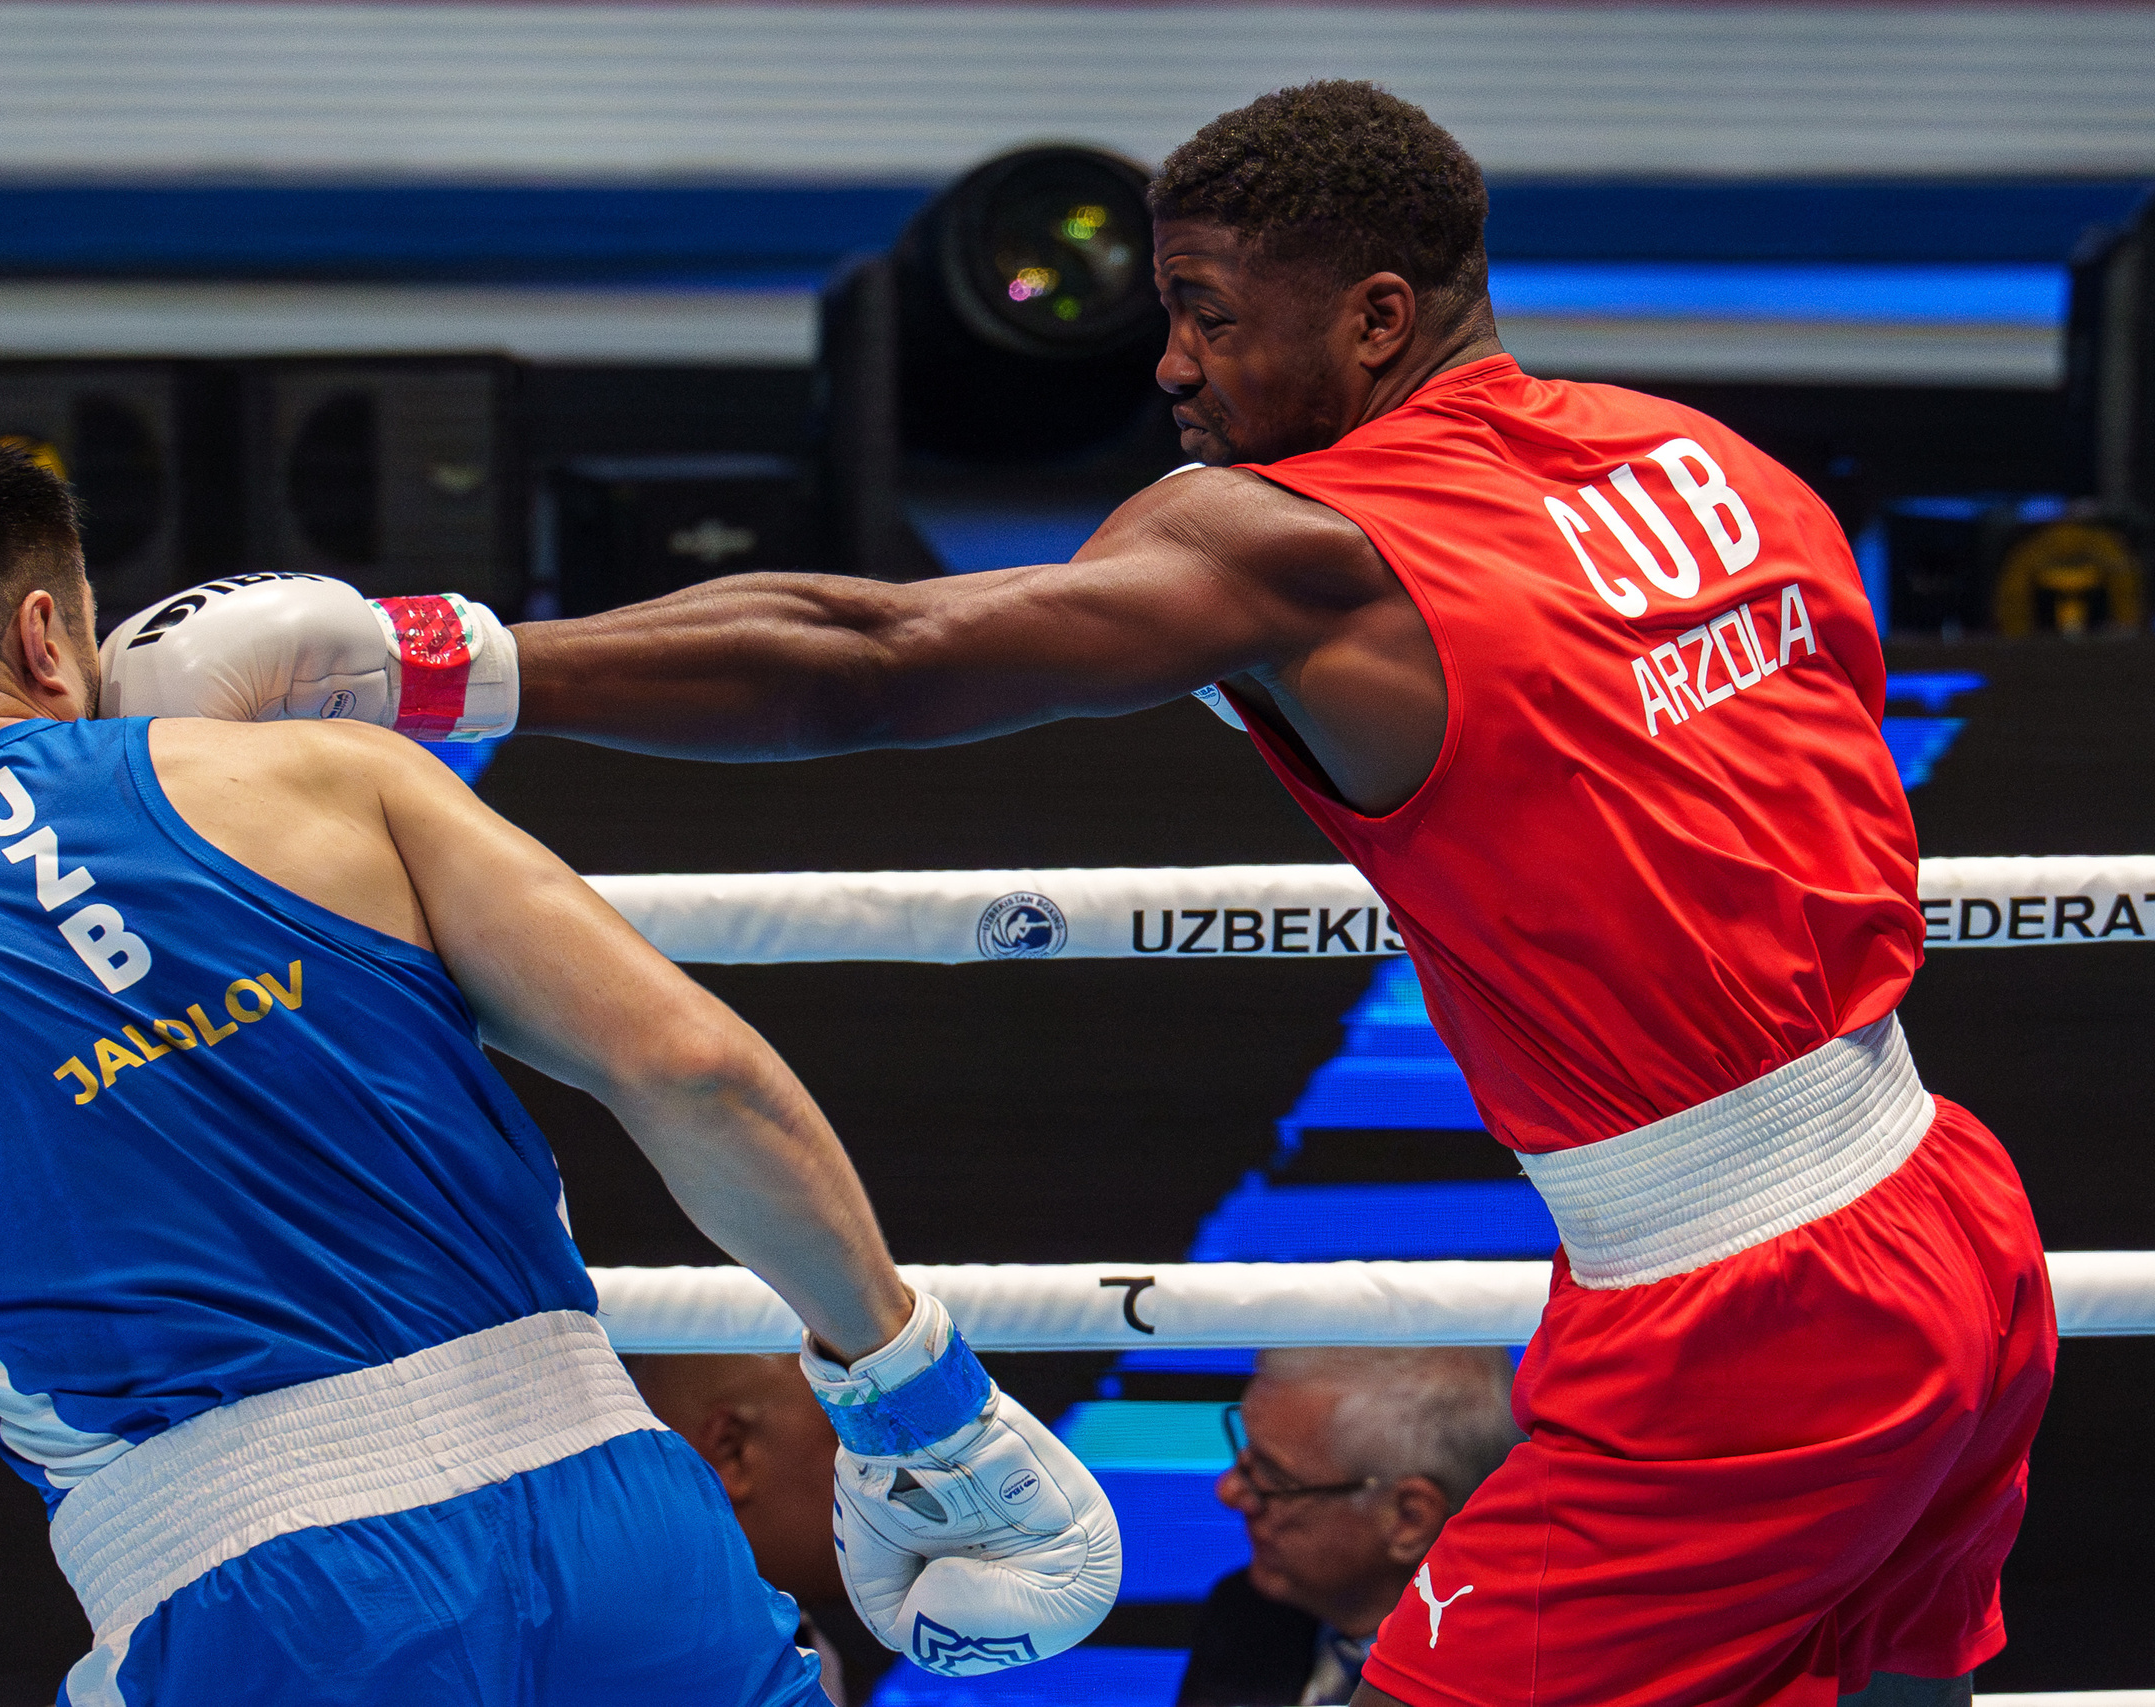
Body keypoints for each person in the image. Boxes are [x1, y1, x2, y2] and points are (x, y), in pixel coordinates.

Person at [110, 80, 2056, 1707]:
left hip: (1752, 1307)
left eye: (1208, 310)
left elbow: (866, 654)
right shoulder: (1708, 467)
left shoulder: (1311, 549)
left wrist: (427, 659)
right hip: (1946, 1210)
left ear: (1375, 322)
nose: (1169, 364)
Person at [0, 435, 1117, 1707]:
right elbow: (691, 1068)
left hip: (255, 1609)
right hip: (622, 1524)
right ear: (50, 641)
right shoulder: (327, 775)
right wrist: (922, 1394)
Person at [1180, 1349, 1520, 1707]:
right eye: (1247, 1454)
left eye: (1272, 1475)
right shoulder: (1245, 1619)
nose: (1228, 1491)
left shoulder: (1526, 1682)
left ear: (1409, 1519)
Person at [629, 1354, 864, 1704]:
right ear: (733, 1449)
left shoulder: (802, 1644)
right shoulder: (624, 1658)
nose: (883, 1473)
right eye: (848, 1438)